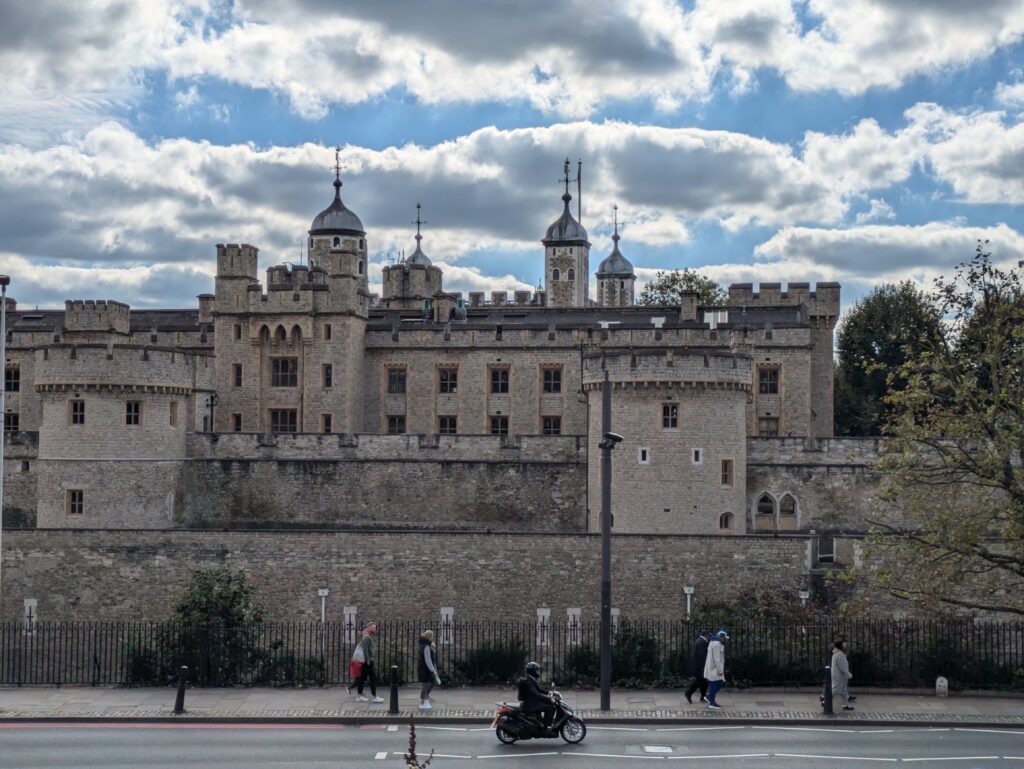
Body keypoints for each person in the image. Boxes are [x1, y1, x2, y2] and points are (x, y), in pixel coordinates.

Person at [351, 622, 384, 703]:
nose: (375, 629)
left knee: (362, 678)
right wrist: (368, 661)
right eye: (374, 627)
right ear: (369, 628)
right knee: (372, 678)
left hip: (366, 661)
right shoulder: (366, 637)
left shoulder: (368, 636)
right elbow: (365, 650)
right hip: (367, 661)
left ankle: (359, 696)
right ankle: (374, 697)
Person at [517, 661, 555, 729]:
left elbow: (539, 690)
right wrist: (549, 698)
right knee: (551, 708)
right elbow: (537, 694)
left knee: (549, 704)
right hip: (530, 704)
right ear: (532, 671)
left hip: (532, 701)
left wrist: (549, 693)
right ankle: (545, 726)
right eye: (536, 670)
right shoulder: (529, 681)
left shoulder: (531, 679)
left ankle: (541, 723)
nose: (538, 672)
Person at [704, 630, 729, 709]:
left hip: (713, 668)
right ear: (721, 637)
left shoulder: (714, 643)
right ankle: (712, 702)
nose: (726, 640)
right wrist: (720, 671)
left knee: (717, 684)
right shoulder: (717, 645)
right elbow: (717, 659)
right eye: (725, 638)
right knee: (716, 684)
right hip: (714, 669)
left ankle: (709, 697)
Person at [685, 630, 710, 704]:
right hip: (700, 667)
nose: (708, 637)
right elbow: (702, 656)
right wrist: (704, 667)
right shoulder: (702, 642)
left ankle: (703, 696)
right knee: (699, 681)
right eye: (708, 635)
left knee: (704, 682)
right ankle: (688, 693)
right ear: (706, 635)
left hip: (698, 666)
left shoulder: (700, 641)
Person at [418, 629, 441, 710]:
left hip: (423, 667)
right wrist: (433, 670)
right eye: (432, 637)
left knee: (429, 683)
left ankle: (424, 698)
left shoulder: (423, 644)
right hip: (425, 668)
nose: (432, 639)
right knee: (426, 684)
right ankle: (422, 702)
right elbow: (428, 660)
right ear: (429, 637)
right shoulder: (426, 646)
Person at [831, 639, 854, 711]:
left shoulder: (836, 654)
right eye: (844, 645)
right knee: (835, 690)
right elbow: (842, 668)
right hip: (840, 676)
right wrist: (849, 674)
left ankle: (845, 705)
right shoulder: (840, 655)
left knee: (844, 691)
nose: (845, 646)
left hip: (839, 675)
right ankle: (826, 701)